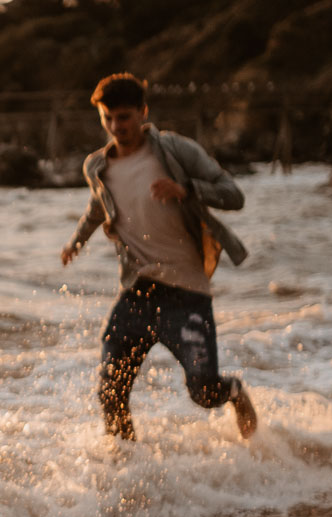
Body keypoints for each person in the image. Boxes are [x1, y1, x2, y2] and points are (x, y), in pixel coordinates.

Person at [60, 73, 257, 442]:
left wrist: (185, 190)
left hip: (187, 292)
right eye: (107, 118)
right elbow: (97, 207)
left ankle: (235, 393)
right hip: (138, 289)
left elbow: (234, 194)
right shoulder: (97, 166)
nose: (116, 127)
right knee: (110, 390)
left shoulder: (174, 151)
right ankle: (126, 467)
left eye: (124, 117)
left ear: (142, 112)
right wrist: (76, 242)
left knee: (204, 392)